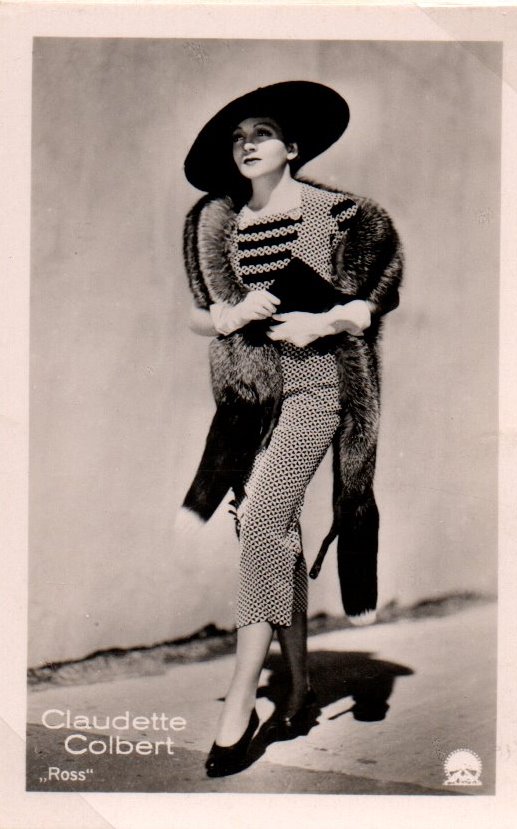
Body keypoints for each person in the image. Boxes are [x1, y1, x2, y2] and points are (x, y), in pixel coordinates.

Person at [179, 81, 403, 777]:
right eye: (238, 138)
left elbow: (377, 297)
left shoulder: (340, 215)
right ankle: (300, 691)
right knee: (271, 536)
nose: (247, 145)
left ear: (293, 148)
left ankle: (241, 698)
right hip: (251, 400)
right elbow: (196, 313)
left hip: (318, 387)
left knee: (264, 520)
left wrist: (323, 321)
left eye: (262, 133)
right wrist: (228, 315)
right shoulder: (215, 223)